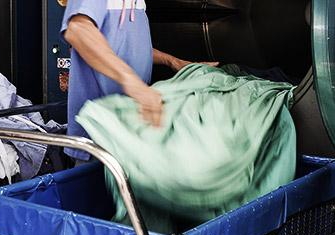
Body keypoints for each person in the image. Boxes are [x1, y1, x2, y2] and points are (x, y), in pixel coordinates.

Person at [60, 0, 218, 165]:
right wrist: (130, 80)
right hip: (98, 134)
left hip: (129, 130)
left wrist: (172, 61)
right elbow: (78, 30)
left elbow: (128, 46)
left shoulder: (138, 3)